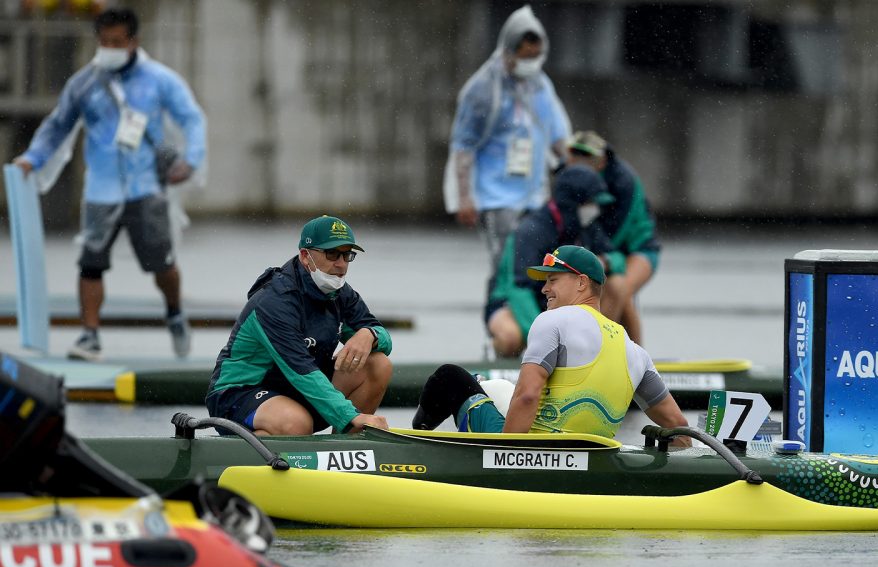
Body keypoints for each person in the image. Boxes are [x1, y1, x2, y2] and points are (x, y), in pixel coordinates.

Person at [12, 7, 207, 362]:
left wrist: (190, 160)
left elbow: (191, 118)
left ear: (133, 41)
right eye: (104, 42)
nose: (110, 48)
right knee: (90, 263)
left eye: (117, 42)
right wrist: (33, 158)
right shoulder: (85, 83)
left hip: (145, 187)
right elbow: (58, 125)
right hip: (101, 189)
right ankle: (90, 335)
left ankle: (175, 312)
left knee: (162, 266)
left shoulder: (159, 79)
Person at [413, 245, 689, 445]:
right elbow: (677, 425)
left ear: (581, 283)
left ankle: (414, 448)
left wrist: (506, 458)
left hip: (532, 454)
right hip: (591, 456)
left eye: (553, 280)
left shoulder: (552, 321)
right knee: (493, 387)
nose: (544, 289)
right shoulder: (636, 352)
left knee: (450, 378)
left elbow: (528, 395)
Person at [205, 216, 391, 436]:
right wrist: (351, 416)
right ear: (305, 256)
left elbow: (384, 339)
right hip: (239, 394)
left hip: (294, 390)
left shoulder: (340, 293)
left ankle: (347, 451)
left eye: (347, 255)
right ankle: (248, 453)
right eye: (332, 254)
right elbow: (300, 369)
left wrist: (369, 334)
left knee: (378, 365)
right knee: (296, 423)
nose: (341, 264)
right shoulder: (274, 302)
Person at [443, 4, 571, 270]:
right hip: (496, 196)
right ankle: (499, 308)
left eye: (536, 56)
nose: (530, 63)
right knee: (506, 264)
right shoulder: (483, 90)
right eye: (525, 56)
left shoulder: (541, 85)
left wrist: (574, 173)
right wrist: (465, 198)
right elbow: (463, 146)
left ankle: (526, 312)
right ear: (508, 51)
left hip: (534, 194)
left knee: (537, 265)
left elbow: (557, 136)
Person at [485, 164, 622, 358]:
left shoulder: (586, 226)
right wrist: (546, 336)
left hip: (559, 301)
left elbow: (618, 259)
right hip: (513, 304)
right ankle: (496, 355)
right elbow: (519, 290)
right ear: (572, 203)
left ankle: (602, 352)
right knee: (510, 337)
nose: (595, 209)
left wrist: (604, 262)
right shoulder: (530, 231)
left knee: (616, 284)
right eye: (590, 202)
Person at [566, 130, 661, 345]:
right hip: (605, 250)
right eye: (574, 154)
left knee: (620, 288)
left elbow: (617, 233)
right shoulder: (573, 175)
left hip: (638, 249)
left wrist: (599, 260)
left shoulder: (623, 181)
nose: (577, 160)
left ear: (600, 161)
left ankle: (631, 356)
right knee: (614, 291)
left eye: (585, 156)